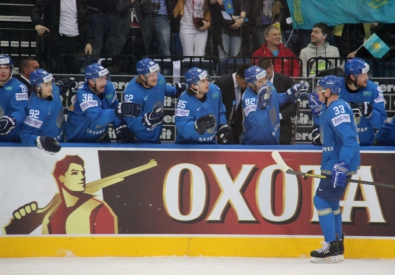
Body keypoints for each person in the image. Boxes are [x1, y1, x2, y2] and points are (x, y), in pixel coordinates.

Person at [309, 75, 360, 263]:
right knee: (331, 203)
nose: (317, 91)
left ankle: (331, 245)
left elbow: (349, 140)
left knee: (321, 201)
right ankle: (337, 246)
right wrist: (318, 113)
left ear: (328, 91)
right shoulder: (332, 107)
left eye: (320, 88)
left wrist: (342, 164)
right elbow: (327, 136)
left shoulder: (337, 108)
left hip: (336, 164)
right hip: (336, 163)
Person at [7, 155, 118, 234]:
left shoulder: (98, 210)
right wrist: (17, 229)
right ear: (62, 178)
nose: (82, 177)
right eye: (75, 173)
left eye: (82, 172)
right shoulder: (50, 216)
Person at [309, 58, 387, 146]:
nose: (367, 77)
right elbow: (320, 106)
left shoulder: (374, 89)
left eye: (367, 73)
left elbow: (381, 123)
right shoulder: (334, 85)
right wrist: (317, 128)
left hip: (365, 144)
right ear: (352, 76)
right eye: (363, 74)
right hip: (338, 145)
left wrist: (369, 112)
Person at [65, 63, 141, 142]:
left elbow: (114, 107)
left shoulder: (109, 87)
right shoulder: (84, 95)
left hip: (100, 138)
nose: (105, 82)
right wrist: (118, 111)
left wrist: (120, 126)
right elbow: (98, 119)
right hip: (77, 140)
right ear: (91, 82)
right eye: (101, 79)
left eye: (105, 78)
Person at [123, 58, 187, 143]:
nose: (156, 77)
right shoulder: (133, 93)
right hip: (138, 141)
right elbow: (131, 123)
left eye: (156, 73)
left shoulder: (160, 79)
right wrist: (146, 120)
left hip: (156, 137)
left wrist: (175, 91)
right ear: (142, 77)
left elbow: (161, 88)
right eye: (152, 75)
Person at [240, 65, 305, 145]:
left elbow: (274, 99)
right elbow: (258, 123)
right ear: (250, 84)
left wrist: (288, 95)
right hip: (254, 144)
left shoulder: (269, 85)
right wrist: (261, 106)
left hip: (272, 141)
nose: (264, 83)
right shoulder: (248, 98)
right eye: (260, 81)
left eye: (265, 79)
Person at [31, 0, 93, 73]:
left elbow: (86, 22)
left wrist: (89, 41)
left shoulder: (80, 2)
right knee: (56, 68)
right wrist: (37, 23)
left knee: (75, 69)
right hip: (58, 39)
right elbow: (36, 10)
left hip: (76, 40)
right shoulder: (53, 2)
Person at [175, 67, 231, 144]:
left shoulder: (214, 90)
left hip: (211, 144)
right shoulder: (184, 102)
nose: (207, 82)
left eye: (206, 79)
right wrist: (196, 126)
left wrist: (222, 125)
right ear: (193, 86)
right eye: (202, 81)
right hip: (189, 146)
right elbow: (182, 127)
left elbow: (220, 110)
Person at [20, 69, 63, 155]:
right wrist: (39, 141)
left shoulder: (53, 90)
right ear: (37, 87)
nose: (51, 87)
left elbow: (57, 88)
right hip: (48, 149)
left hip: (62, 141)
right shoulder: (35, 110)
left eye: (51, 83)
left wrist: (61, 84)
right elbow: (25, 135)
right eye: (46, 84)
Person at [258, 58, 295, 144]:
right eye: (262, 74)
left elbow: (293, 104)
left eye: (267, 73)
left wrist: (280, 116)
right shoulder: (256, 83)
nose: (265, 77)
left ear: (272, 68)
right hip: (262, 132)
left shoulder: (285, 80)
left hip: (283, 131)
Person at [212, 64, 249, 144]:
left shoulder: (245, 88)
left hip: (235, 130)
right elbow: (214, 108)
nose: (247, 86)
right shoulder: (221, 84)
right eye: (245, 83)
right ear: (237, 77)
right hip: (221, 129)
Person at [0, 54, 28, 142]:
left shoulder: (19, 87)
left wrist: (11, 120)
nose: (3, 71)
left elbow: (21, 110)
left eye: (6, 68)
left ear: (11, 69)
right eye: (0, 68)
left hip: (12, 140)